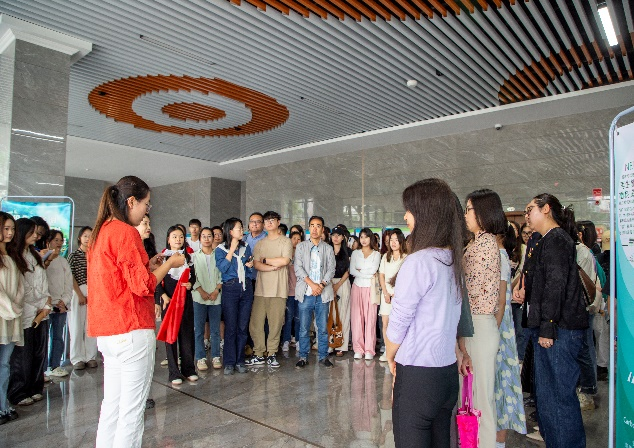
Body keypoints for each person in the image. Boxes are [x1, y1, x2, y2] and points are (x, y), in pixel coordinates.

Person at [87, 176, 185, 447]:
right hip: (130, 327)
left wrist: (150, 264)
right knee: (131, 411)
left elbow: (118, 278)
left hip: (108, 330)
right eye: (146, 204)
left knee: (112, 406)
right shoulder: (125, 232)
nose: (146, 211)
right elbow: (143, 286)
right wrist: (170, 264)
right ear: (131, 201)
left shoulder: (100, 232)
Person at [385, 179, 466, 447]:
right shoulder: (452, 259)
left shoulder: (419, 261)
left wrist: (390, 353)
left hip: (418, 377)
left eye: (409, 210)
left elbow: (399, 321)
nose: (405, 217)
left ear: (425, 215)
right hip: (446, 375)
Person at [522, 193, 588, 448]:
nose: (527, 215)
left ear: (546, 209)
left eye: (530, 209)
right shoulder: (545, 240)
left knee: (559, 398)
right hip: (552, 328)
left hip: (561, 330)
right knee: (548, 397)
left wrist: (547, 326)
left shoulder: (557, 239)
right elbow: (543, 283)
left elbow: (555, 286)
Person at [463, 189, 506, 448]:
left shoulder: (485, 245)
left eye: (469, 209)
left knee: (481, 400)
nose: (466, 214)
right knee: (475, 395)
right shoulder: (477, 242)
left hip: (478, 323)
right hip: (475, 325)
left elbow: (469, 290)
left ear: (482, 211)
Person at [8, 218, 52, 407]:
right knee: (22, 355)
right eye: (32, 232)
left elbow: (42, 283)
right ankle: (18, 392)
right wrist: (40, 305)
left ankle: (35, 387)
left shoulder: (34, 255)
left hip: (42, 310)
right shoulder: (14, 256)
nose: (36, 236)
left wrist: (46, 304)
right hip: (25, 311)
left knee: (38, 353)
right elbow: (22, 288)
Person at [495, 223, 527, 447]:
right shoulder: (501, 256)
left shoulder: (498, 256)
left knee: (499, 387)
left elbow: (499, 302)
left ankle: (498, 442)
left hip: (496, 330)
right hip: (498, 330)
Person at [248, 211, 292, 368]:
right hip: (261, 289)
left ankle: (272, 353)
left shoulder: (285, 241)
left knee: (275, 324)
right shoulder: (260, 243)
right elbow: (256, 264)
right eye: (266, 221)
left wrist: (266, 260)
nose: (269, 223)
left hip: (279, 289)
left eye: (272, 220)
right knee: (255, 323)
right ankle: (259, 353)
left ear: (278, 222)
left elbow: (285, 260)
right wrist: (272, 267)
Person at [155, 225, 198, 385]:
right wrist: (163, 296)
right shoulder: (162, 258)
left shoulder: (188, 257)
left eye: (181, 236)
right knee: (171, 336)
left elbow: (193, 277)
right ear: (168, 239)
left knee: (187, 335)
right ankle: (174, 372)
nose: (178, 239)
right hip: (169, 301)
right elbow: (155, 280)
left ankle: (189, 369)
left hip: (185, 301)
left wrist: (191, 284)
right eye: (174, 236)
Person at [294, 216, 336, 369]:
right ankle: (303, 356)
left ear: (322, 229)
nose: (315, 229)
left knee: (322, 328)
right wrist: (312, 285)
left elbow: (331, 269)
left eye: (318, 226)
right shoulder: (301, 247)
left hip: (322, 293)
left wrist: (321, 285)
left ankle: (323, 356)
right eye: (312, 225)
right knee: (304, 328)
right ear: (309, 228)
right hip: (306, 293)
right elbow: (298, 268)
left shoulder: (328, 248)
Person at [215, 218, 254, 375]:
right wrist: (231, 250)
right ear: (230, 231)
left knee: (242, 326)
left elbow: (249, 270)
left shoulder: (246, 247)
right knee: (230, 326)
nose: (242, 230)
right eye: (239, 228)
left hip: (246, 287)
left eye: (242, 228)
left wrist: (250, 266)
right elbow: (223, 268)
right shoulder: (220, 249)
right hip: (230, 288)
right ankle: (229, 362)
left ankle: (240, 360)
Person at [0, 212, 24, 425]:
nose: (9, 233)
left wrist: (15, 306)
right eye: (5, 228)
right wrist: (10, 307)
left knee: (5, 364)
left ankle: (3, 404)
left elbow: (20, 286)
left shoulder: (13, 255)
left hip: (12, 316)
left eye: (12, 229)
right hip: (3, 314)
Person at [192, 227, 223, 370]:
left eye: (209, 236)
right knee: (199, 330)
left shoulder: (219, 255)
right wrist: (201, 291)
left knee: (215, 330)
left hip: (216, 297)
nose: (206, 239)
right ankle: (201, 358)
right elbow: (191, 276)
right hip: (199, 297)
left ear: (213, 238)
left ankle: (216, 356)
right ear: (199, 239)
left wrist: (217, 290)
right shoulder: (194, 256)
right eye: (203, 236)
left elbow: (222, 275)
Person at [67, 226, 98, 370]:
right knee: (76, 326)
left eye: (90, 236)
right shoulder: (73, 255)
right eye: (85, 236)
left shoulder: (95, 255)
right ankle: (77, 358)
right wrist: (79, 294)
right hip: (77, 291)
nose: (87, 238)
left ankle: (90, 356)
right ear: (79, 238)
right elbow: (70, 276)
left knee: (91, 326)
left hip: (94, 292)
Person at [349, 227, 381, 360]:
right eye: (361, 237)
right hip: (357, 286)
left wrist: (360, 270)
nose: (363, 240)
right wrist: (364, 272)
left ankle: (369, 350)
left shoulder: (376, 254)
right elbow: (352, 271)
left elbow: (373, 270)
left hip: (370, 288)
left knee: (370, 319)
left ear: (370, 238)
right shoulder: (355, 253)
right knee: (357, 319)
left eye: (366, 237)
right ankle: (358, 349)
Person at [45, 230, 73, 378]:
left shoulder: (63, 261)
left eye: (61, 240)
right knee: (44, 339)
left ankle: (55, 365)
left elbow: (68, 284)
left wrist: (64, 301)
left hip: (61, 306)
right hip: (45, 306)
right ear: (48, 241)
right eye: (56, 240)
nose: (59, 243)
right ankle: (42, 368)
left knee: (58, 337)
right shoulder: (43, 260)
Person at [378, 229, 407, 362]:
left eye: (396, 240)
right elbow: (381, 275)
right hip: (386, 295)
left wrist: (397, 294)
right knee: (386, 324)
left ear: (401, 241)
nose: (393, 243)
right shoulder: (386, 256)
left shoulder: (406, 257)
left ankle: (398, 352)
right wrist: (385, 293)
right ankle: (387, 350)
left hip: (400, 295)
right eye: (391, 240)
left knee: (399, 324)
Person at [330, 226, 352, 357]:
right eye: (333, 235)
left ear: (343, 237)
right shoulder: (327, 250)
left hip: (343, 282)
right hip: (328, 282)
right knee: (330, 315)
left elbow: (349, 271)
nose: (336, 238)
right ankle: (331, 344)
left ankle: (341, 345)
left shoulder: (348, 251)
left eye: (338, 235)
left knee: (343, 314)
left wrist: (337, 285)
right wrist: (330, 284)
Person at [281, 231, 301, 352]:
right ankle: (286, 340)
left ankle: (298, 340)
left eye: (299, 239)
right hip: (288, 292)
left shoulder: (302, 255)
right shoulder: (286, 255)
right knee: (288, 318)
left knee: (298, 318)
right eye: (294, 238)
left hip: (300, 292)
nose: (296, 241)